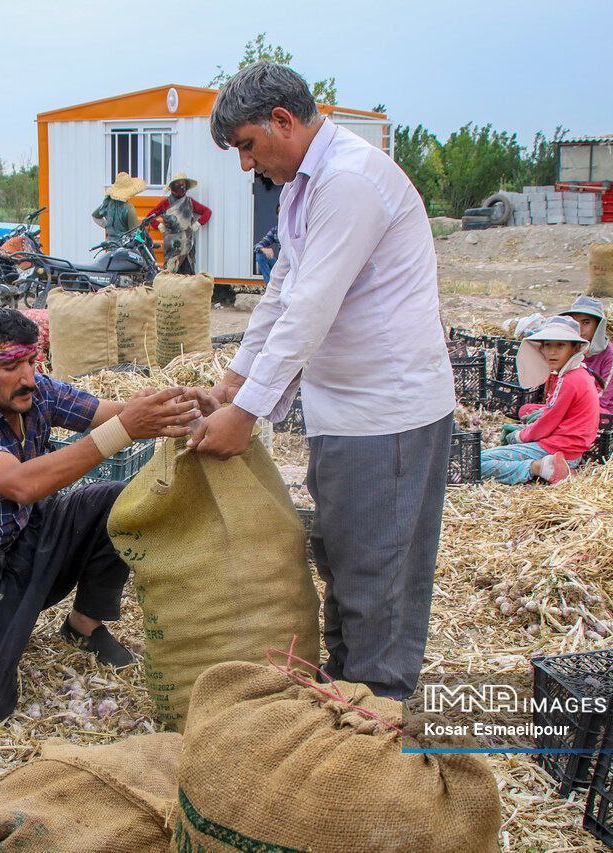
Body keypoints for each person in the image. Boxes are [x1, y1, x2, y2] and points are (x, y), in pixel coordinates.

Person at [190, 62, 456, 702]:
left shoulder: (349, 181)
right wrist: (231, 385)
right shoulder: (301, 189)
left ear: (283, 121)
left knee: (377, 579)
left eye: (248, 146)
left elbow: (312, 307)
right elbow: (280, 293)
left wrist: (246, 414)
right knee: (345, 564)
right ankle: (348, 699)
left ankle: (378, 728)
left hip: (387, 416)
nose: (247, 165)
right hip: (344, 411)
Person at [0, 308, 201, 726]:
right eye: (10, 367)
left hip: (24, 541)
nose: (27, 376)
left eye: (32, 361)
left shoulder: (35, 392)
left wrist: (180, 404)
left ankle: (83, 627)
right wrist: (127, 429)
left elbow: (111, 413)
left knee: (116, 502)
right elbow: (22, 484)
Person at [480, 316, 600, 485]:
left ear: (575, 348)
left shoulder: (570, 380)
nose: (552, 352)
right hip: (571, 449)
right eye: (547, 345)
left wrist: (520, 436)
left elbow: (548, 422)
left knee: (479, 462)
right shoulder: (577, 374)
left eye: (560, 345)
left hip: (561, 450)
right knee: (527, 411)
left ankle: (539, 467)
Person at [560, 296, 613, 418]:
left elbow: (600, 400)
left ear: (598, 326)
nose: (579, 328)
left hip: (602, 411)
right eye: (575, 322)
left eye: (586, 322)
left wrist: (560, 409)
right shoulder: (572, 350)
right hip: (571, 405)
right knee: (526, 410)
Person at [149, 173, 212, 275]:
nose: (180, 187)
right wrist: (159, 226)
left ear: (186, 186)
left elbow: (207, 212)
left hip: (187, 243)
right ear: (172, 186)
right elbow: (149, 217)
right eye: (178, 184)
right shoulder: (165, 203)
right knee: (171, 273)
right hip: (171, 245)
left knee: (188, 273)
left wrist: (198, 223)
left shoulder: (190, 202)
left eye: (183, 185)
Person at [92, 172, 145, 244]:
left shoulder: (107, 204)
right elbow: (134, 233)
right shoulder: (129, 208)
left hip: (110, 245)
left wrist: (107, 225)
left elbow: (95, 216)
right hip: (125, 247)